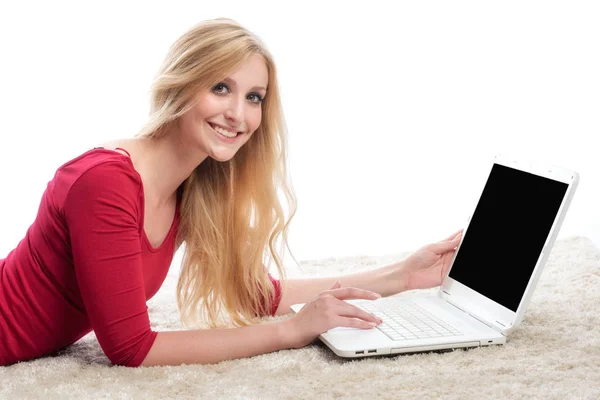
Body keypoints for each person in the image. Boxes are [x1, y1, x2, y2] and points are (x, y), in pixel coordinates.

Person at [0, 18, 462, 368]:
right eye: (221, 88)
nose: (238, 115)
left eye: (254, 97)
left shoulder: (192, 185)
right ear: (183, 83)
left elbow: (251, 293)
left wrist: (399, 276)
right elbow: (130, 347)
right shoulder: (105, 183)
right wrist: (291, 332)